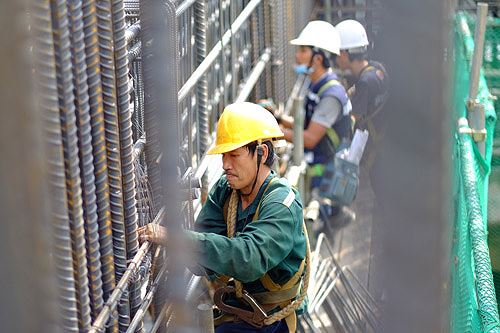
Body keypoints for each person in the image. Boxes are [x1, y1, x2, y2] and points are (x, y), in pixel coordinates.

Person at [138, 102, 309, 333]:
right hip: (239, 310)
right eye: (223, 155)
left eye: (234, 155)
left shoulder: (281, 204)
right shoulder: (227, 191)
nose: (225, 165)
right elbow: (202, 255)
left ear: (262, 153)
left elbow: (248, 259)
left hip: (271, 320)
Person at [279, 20, 355, 226]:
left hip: (327, 177)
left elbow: (310, 138)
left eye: (303, 50)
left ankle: (336, 217)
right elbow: (306, 126)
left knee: (318, 226)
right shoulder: (317, 86)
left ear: (318, 58)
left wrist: (275, 131)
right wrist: (277, 118)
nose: (297, 55)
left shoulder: (331, 94)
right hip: (320, 167)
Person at [334, 19, 389, 191]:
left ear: (345, 54)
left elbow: (352, 120)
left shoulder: (365, 83)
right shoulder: (377, 69)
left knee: (379, 191)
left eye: (336, 53)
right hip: (387, 141)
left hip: (375, 150)